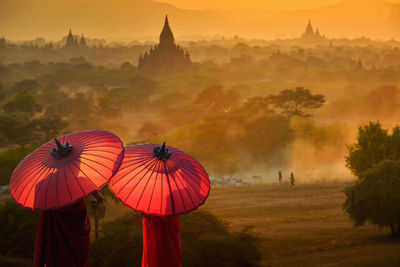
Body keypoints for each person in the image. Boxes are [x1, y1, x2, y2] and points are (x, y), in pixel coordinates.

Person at [34, 191, 104, 267]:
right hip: (78, 242)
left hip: (55, 245)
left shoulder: (46, 188)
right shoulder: (79, 182)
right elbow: (100, 198)